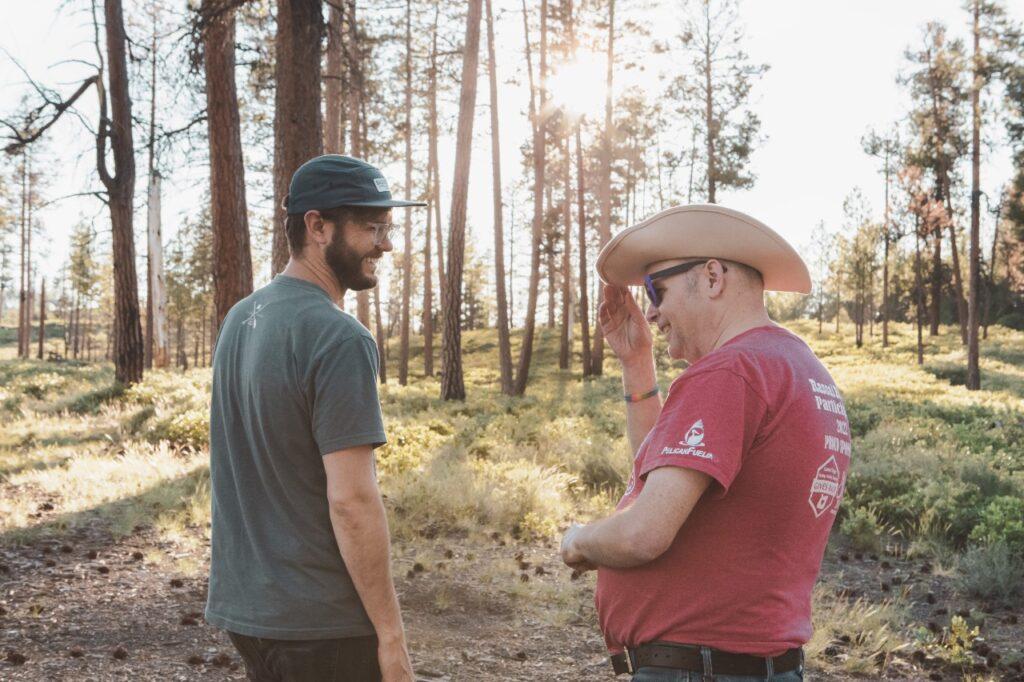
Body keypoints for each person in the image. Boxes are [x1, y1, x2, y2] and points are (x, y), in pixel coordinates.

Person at [560, 204, 850, 680]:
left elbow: (644, 533)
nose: (650, 311)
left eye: (657, 289)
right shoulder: (797, 367)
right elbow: (661, 480)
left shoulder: (731, 371)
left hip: (701, 667)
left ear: (713, 277)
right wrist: (636, 364)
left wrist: (579, 541)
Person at [206, 155, 425, 682]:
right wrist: (392, 638)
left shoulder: (240, 319)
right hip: (320, 625)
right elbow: (352, 501)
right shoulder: (339, 336)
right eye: (372, 228)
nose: (387, 244)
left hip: (248, 612)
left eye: (387, 228)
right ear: (317, 225)